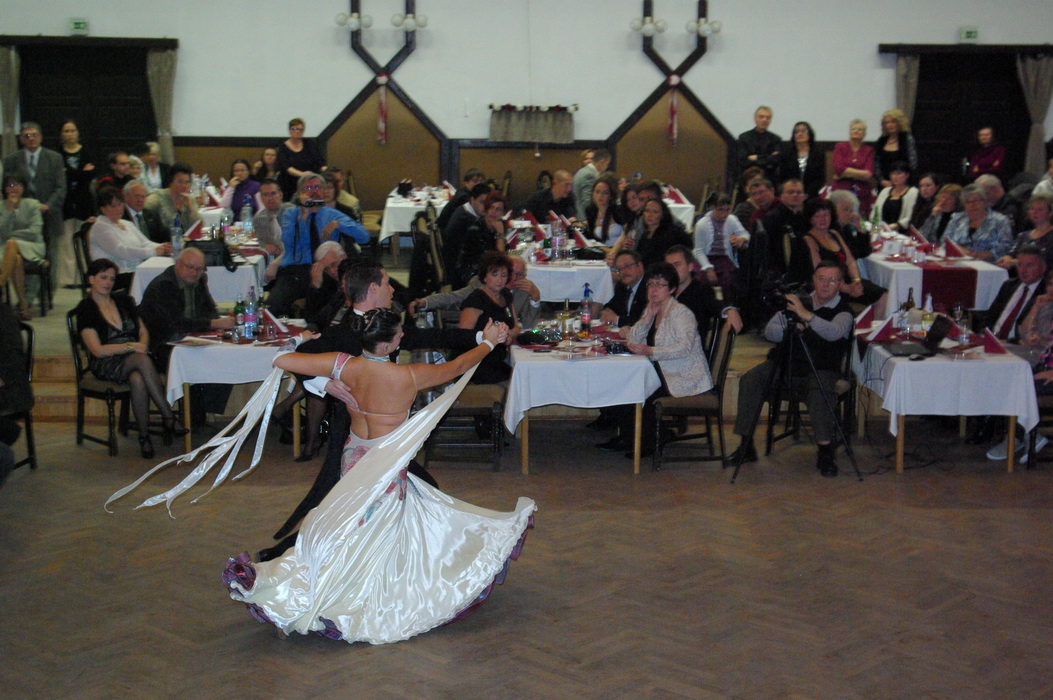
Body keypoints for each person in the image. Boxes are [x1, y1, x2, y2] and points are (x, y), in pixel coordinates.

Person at [224, 309, 533, 645]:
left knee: (357, 524)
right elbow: (458, 367)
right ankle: (359, 593)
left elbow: (281, 359)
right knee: (376, 529)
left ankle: (336, 581)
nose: (403, 337)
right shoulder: (407, 376)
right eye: (399, 334)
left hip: (354, 459)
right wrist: (488, 343)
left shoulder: (343, 365)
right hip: (384, 466)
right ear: (386, 345)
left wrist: (321, 373)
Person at [261, 260, 486, 562]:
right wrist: (325, 385)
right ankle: (293, 553)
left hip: (384, 442)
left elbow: (432, 337)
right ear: (372, 288)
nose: (393, 289)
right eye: (387, 283)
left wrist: (479, 337)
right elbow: (300, 357)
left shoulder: (387, 325)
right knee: (336, 503)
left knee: (399, 495)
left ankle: (405, 555)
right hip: (350, 434)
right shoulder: (340, 332)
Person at [729, 260, 854, 477]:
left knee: (819, 391)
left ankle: (825, 452)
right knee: (750, 379)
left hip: (821, 369)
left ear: (840, 284)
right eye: (821, 278)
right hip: (785, 364)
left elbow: (834, 332)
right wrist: (791, 329)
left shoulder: (844, 311)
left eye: (832, 280)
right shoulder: (797, 302)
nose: (825, 284)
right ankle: (746, 445)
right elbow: (770, 331)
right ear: (814, 280)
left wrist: (808, 317)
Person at [596, 262, 714, 458]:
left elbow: (684, 348)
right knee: (623, 384)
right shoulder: (653, 309)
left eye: (660, 285)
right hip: (662, 371)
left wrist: (650, 350)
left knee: (637, 390)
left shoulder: (681, 314)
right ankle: (630, 437)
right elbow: (633, 338)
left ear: (672, 289)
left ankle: (646, 442)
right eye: (650, 284)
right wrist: (647, 317)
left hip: (683, 376)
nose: (653, 289)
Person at [75, 258, 187, 458]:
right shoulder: (86, 309)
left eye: (112, 278)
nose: (108, 282)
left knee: (137, 378)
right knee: (141, 360)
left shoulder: (123, 301)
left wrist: (141, 344)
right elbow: (97, 350)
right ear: (91, 279)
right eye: (103, 277)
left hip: (135, 357)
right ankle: (168, 416)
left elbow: (142, 330)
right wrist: (132, 347)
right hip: (106, 361)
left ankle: (144, 437)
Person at [267, 173, 369, 316]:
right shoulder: (290, 214)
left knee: (323, 308)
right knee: (273, 306)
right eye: (308, 188)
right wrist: (303, 217)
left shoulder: (332, 215)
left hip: (326, 271)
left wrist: (339, 224)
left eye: (317, 187)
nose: (313, 191)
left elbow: (364, 237)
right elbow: (288, 241)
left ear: (323, 190)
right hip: (295, 271)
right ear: (300, 193)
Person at [798, 198, 888, 318]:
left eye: (826, 214)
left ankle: (874, 329)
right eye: (817, 216)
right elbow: (819, 273)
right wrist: (845, 288)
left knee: (883, 295)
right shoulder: (809, 240)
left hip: (846, 281)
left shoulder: (835, 234)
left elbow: (850, 261)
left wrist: (856, 281)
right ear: (811, 219)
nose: (823, 219)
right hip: (825, 285)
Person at [2, 122, 65, 284]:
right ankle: (28, 293)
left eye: (34, 135)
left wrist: (47, 205)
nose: (31, 139)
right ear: (21, 139)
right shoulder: (11, 160)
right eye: (27, 136)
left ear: (41, 137)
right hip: (22, 217)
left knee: (51, 257)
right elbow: (7, 188)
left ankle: (49, 292)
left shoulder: (55, 158)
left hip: (50, 214)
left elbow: (61, 188)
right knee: (24, 258)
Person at [411, 253, 541, 330]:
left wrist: (535, 297)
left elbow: (528, 325)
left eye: (519, 274)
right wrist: (425, 302)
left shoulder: (523, 290)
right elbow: (453, 297)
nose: (514, 278)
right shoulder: (481, 286)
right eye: (511, 273)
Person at [89, 187, 171, 289]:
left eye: (120, 204)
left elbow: (145, 243)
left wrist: (164, 247)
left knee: (166, 273)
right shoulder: (100, 227)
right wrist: (154, 251)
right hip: (113, 275)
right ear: (103, 209)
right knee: (159, 279)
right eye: (113, 206)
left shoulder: (127, 224)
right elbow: (122, 251)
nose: (118, 208)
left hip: (133, 271)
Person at [459, 252, 519, 384]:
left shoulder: (505, 295)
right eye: (494, 275)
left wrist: (506, 335)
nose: (499, 280)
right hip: (479, 361)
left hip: (497, 358)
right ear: (484, 277)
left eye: (503, 275)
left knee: (520, 376)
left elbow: (516, 328)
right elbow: (463, 338)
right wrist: (498, 337)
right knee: (515, 381)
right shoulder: (476, 300)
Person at [665, 245, 743, 345]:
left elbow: (717, 306)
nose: (673, 270)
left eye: (677, 265)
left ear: (690, 267)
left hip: (690, 350)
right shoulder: (664, 292)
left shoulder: (701, 290)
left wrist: (730, 310)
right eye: (669, 267)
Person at [981, 244, 1048, 343]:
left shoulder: (1045, 293)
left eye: (1029, 265)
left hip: (1017, 345)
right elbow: (990, 317)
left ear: (1043, 267)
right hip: (992, 340)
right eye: (1020, 265)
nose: (1023, 270)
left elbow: (1035, 333)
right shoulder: (1009, 285)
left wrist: (1007, 342)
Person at [57, 120, 96, 288]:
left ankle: (83, 277)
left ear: (78, 133)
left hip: (84, 201)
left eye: (72, 130)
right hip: (65, 202)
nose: (70, 134)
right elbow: (62, 178)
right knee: (66, 241)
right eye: (66, 131)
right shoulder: (58, 154)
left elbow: (90, 175)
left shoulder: (87, 152)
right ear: (61, 134)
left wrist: (72, 174)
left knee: (83, 239)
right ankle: (67, 279)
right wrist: (81, 173)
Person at [692, 194, 749, 303]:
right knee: (701, 280)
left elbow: (745, 234)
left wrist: (741, 239)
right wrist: (708, 268)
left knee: (729, 280)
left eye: (728, 210)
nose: (725, 214)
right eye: (721, 210)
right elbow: (699, 250)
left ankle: (728, 306)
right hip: (706, 257)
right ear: (713, 208)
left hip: (723, 258)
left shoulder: (731, 220)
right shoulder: (702, 224)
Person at [0, 174, 41, 319]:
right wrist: (9, 209)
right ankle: (24, 307)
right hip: (5, 250)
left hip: (32, 246)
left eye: (17, 185)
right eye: (10, 185)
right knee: (16, 259)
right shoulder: (1, 206)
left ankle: (1, 282)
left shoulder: (32, 204)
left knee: (11, 242)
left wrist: (12, 237)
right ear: (5, 189)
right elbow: (2, 232)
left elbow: (35, 231)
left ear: (23, 188)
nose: (14, 189)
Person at [942, 184, 1014, 261]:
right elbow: (945, 242)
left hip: (988, 264)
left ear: (985, 202)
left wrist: (980, 255)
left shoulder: (1000, 221)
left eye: (976, 201)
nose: (972, 205)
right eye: (967, 202)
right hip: (957, 262)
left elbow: (1006, 247)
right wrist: (962, 251)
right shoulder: (957, 219)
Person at [441, 183, 489, 289]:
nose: (486, 207)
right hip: (459, 274)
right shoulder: (468, 220)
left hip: (457, 265)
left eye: (488, 203)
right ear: (472, 199)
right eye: (482, 202)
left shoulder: (463, 210)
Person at [457, 190, 508, 285]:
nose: (493, 212)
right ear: (486, 208)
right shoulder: (476, 229)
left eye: (498, 209)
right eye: (491, 207)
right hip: (472, 276)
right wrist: (500, 234)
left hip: (488, 272)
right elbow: (498, 259)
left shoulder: (499, 225)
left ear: (503, 213)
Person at [760, 179, 808, 278]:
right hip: (780, 274)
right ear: (781, 196)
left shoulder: (805, 219)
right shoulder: (771, 219)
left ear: (804, 196)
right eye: (790, 192)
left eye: (799, 192)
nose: (795, 195)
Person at [830, 119, 876, 218]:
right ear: (849, 132)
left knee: (861, 221)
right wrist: (860, 174)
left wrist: (844, 174)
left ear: (864, 134)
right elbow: (838, 168)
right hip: (841, 191)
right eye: (853, 129)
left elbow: (868, 174)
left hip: (862, 193)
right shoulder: (840, 146)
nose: (856, 131)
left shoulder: (869, 150)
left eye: (860, 129)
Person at [144, 162, 201, 237]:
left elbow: (199, 226)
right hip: (167, 240)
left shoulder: (189, 199)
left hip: (188, 240)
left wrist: (190, 209)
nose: (184, 185)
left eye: (187, 182)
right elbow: (142, 206)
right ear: (171, 181)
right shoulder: (159, 196)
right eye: (180, 182)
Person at [251, 178, 291, 282]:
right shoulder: (259, 219)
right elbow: (260, 240)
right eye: (266, 195)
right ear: (261, 198)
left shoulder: (292, 212)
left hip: (296, 261)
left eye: (273, 193)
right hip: (277, 265)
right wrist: (265, 245)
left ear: (280, 195)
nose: (270, 198)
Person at [997, 194, 1053, 269]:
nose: (1035, 212)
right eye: (1032, 209)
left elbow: (1045, 261)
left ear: (1050, 213)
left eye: (1040, 209)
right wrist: (1006, 259)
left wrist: (1015, 262)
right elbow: (1011, 254)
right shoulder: (1023, 236)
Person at [276, 117, 326, 200]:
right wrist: (302, 175)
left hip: (311, 182)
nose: (297, 131)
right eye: (294, 129)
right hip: (290, 184)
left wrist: (326, 171)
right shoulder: (282, 147)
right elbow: (286, 167)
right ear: (289, 130)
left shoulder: (309, 144)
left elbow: (319, 161)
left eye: (300, 129)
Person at [635, 198, 691, 267]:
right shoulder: (645, 234)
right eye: (647, 211)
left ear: (662, 215)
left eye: (655, 212)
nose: (650, 215)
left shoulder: (671, 235)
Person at [777, 121, 825, 198]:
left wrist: (807, 194)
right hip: (791, 194)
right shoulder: (786, 154)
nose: (800, 134)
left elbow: (820, 178)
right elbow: (782, 177)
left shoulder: (818, 154)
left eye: (803, 131)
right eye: (797, 132)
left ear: (809, 135)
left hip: (812, 195)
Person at [873, 109, 918, 189]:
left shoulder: (907, 139)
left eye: (893, 122)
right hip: (885, 184)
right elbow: (877, 164)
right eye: (887, 122)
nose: (889, 125)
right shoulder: (881, 141)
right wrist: (882, 180)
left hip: (904, 184)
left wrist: (899, 180)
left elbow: (912, 163)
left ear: (900, 123)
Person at [737, 106, 781, 183]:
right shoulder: (744, 137)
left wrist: (756, 157)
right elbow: (743, 160)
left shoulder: (775, 139)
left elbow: (775, 161)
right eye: (761, 117)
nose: (764, 120)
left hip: (769, 180)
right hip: (748, 179)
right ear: (755, 119)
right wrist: (767, 158)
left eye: (768, 118)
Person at [872, 162, 919, 232]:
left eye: (898, 173)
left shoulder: (913, 192)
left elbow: (910, 216)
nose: (895, 177)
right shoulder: (885, 191)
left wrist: (895, 226)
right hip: (881, 229)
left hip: (901, 231)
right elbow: (875, 212)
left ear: (907, 175)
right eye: (892, 174)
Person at [436, 168, 485, 233]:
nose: (479, 183)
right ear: (465, 183)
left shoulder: (462, 192)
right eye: (475, 181)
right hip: (448, 233)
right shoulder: (464, 197)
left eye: (481, 181)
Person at [583, 174, 624, 246]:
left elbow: (628, 232)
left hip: (619, 250)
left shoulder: (618, 211)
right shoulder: (591, 211)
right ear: (592, 193)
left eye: (605, 193)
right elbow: (592, 237)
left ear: (611, 195)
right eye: (597, 192)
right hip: (601, 249)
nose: (600, 196)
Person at [121, 181, 167, 245]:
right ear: (126, 197)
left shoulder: (152, 215)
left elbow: (165, 236)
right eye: (136, 196)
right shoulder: (120, 215)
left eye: (143, 197)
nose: (140, 200)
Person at [573, 148, 611, 220]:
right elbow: (587, 201)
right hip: (584, 217)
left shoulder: (584, 171)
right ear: (601, 162)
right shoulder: (590, 175)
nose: (606, 167)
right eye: (607, 164)